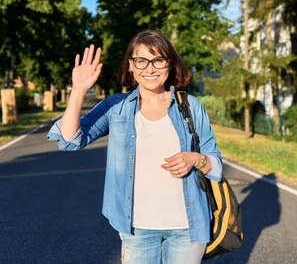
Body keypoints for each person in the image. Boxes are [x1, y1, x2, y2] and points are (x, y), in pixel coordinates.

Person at [48, 30, 223, 263]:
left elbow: (216, 164)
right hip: (137, 230)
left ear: (169, 64)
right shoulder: (116, 107)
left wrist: (196, 159)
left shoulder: (190, 107)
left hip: (188, 230)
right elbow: (70, 141)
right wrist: (78, 90)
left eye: (158, 60)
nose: (149, 69)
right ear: (130, 65)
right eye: (141, 61)